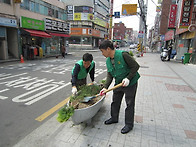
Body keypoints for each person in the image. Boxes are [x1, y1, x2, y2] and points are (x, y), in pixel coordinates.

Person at [99, 40, 140, 134]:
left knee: (129, 104)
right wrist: (105, 87)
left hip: (130, 83)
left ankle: (129, 125)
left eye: (102, 51)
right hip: (118, 83)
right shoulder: (108, 60)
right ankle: (114, 118)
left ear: (108, 49)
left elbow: (135, 66)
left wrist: (128, 78)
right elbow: (110, 74)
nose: (102, 53)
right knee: (115, 101)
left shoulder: (123, 55)